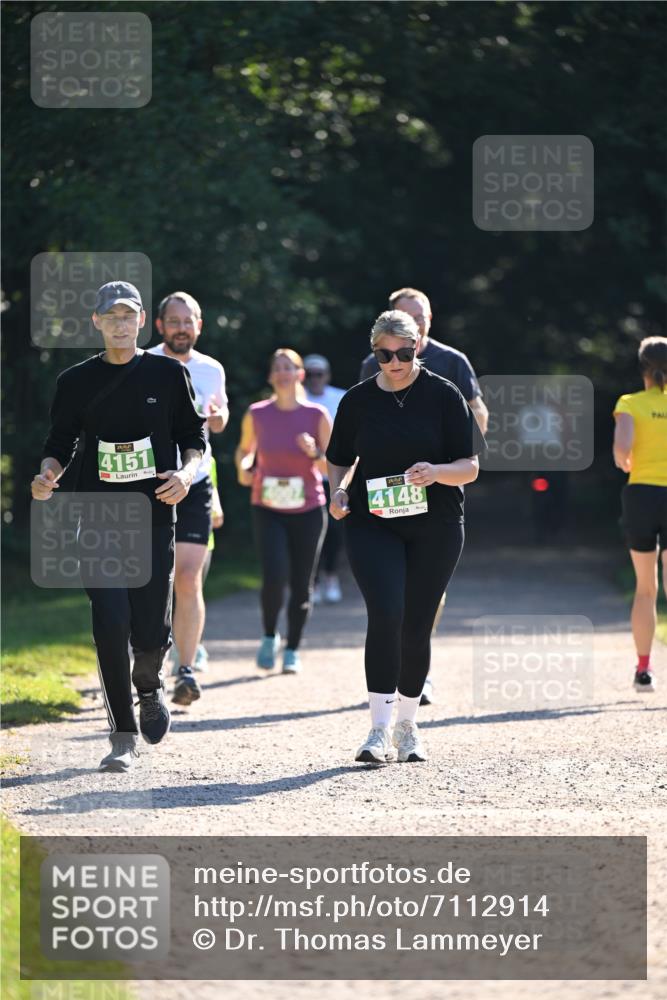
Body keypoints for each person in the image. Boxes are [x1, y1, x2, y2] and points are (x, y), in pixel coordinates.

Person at [31, 281, 205, 773]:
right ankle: (122, 734)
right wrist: (48, 476)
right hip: (98, 514)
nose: (121, 324)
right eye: (112, 317)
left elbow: (194, 439)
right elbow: (60, 442)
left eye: (129, 316)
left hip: (153, 513)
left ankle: (148, 686)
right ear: (97, 323)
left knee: (150, 626)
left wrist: (186, 475)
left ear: (142, 321)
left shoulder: (169, 375)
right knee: (110, 621)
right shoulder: (75, 381)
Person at [328, 310, 480, 763]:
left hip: (436, 524)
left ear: (419, 347)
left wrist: (435, 472)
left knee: (416, 624)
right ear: (374, 351)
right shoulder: (357, 400)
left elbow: (470, 467)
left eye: (404, 353)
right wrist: (337, 491)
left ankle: (408, 727)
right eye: (384, 354)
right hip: (372, 521)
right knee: (386, 613)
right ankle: (377, 730)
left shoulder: (444, 394)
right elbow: (338, 458)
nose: (394, 362)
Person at [361, 287, 488, 706]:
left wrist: (455, 460)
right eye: (404, 315)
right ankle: (397, 671)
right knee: (388, 601)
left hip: (440, 489)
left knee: (424, 596)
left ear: (427, 322)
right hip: (386, 497)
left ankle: (417, 664)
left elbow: (476, 412)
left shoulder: (452, 363)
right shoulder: (372, 363)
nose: (393, 361)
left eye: (420, 317)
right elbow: (360, 422)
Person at [149, 291, 229, 705]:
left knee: (188, 577)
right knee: (149, 580)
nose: (181, 328)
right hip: (149, 482)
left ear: (199, 326)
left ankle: (185, 669)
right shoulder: (143, 362)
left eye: (188, 320)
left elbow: (221, 416)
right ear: (160, 325)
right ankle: (148, 663)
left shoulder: (210, 369)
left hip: (195, 481)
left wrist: (217, 419)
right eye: (174, 320)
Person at [235, 349, 331, 674]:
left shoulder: (316, 414)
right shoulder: (257, 414)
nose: (282, 373)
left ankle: (292, 649)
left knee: (302, 582)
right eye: (277, 368)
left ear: (300, 374)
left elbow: (332, 467)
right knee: (274, 577)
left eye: (289, 367)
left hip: (308, 508)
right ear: (271, 377)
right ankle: (268, 635)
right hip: (268, 506)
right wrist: (245, 467)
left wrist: (314, 451)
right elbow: (244, 452)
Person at [613, 336, 667, 693]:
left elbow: (622, 451)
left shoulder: (630, 403)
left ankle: (644, 670)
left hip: (642, 495)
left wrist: (629, 462)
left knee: (646, 588)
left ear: (643, 367)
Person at [304, 354, 346, 604]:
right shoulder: (295, 399)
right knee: (310, 530)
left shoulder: (339, 398)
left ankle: (331, 575)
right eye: (309, 374)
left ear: (327, 375)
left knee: (334, 531)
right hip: (305, 477)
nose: (314, 379)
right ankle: (314, 580)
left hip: (333, 475)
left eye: (319, 374)